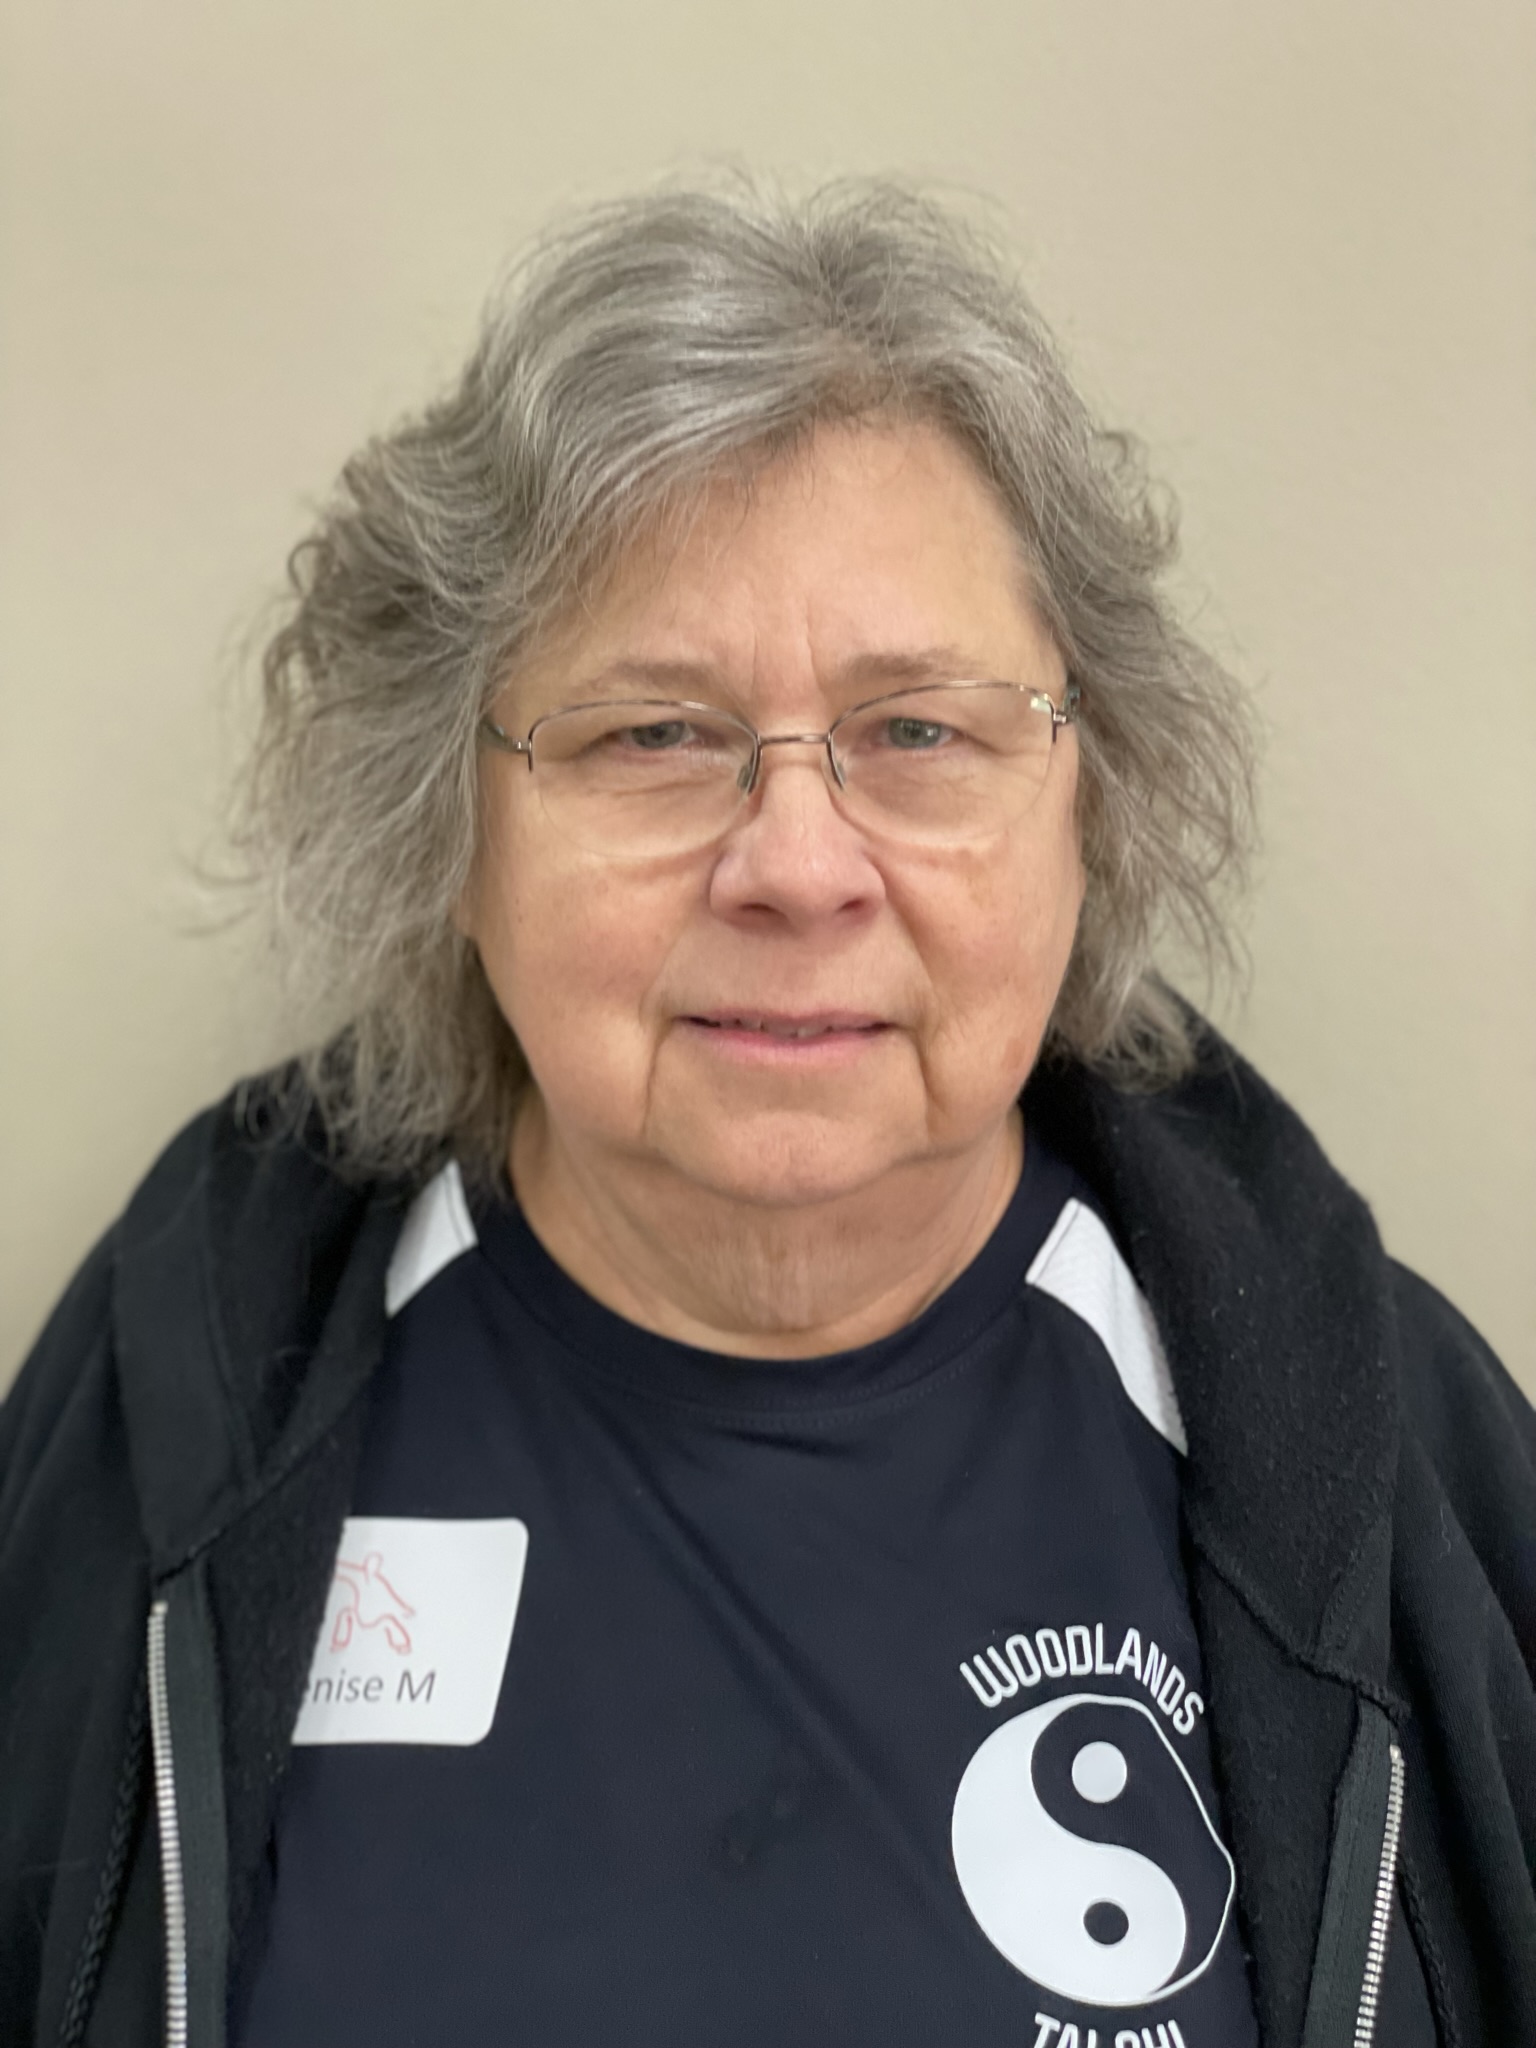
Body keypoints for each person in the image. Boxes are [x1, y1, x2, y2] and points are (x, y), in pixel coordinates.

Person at [2, 181, 1531, 2048]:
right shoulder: (157, 1429)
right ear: (447, 835)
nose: (799, 868)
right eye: (652, 734)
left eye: (920, 730)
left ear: (1090, 805)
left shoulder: (1398, 1462)